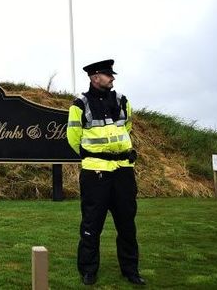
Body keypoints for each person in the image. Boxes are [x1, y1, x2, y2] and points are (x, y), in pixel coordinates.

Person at [66, 59, 145, 286]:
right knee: (91, 225)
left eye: (112, 75)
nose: (112, 78)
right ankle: (88, 271)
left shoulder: (122, 101)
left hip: (123, 172)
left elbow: (126, 127)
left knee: (127, 225)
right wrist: (94, 155)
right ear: (94, 77)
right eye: (108, 74)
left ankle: (131, 270)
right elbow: (73, 137)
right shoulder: (79, 105)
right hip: (95, 173)